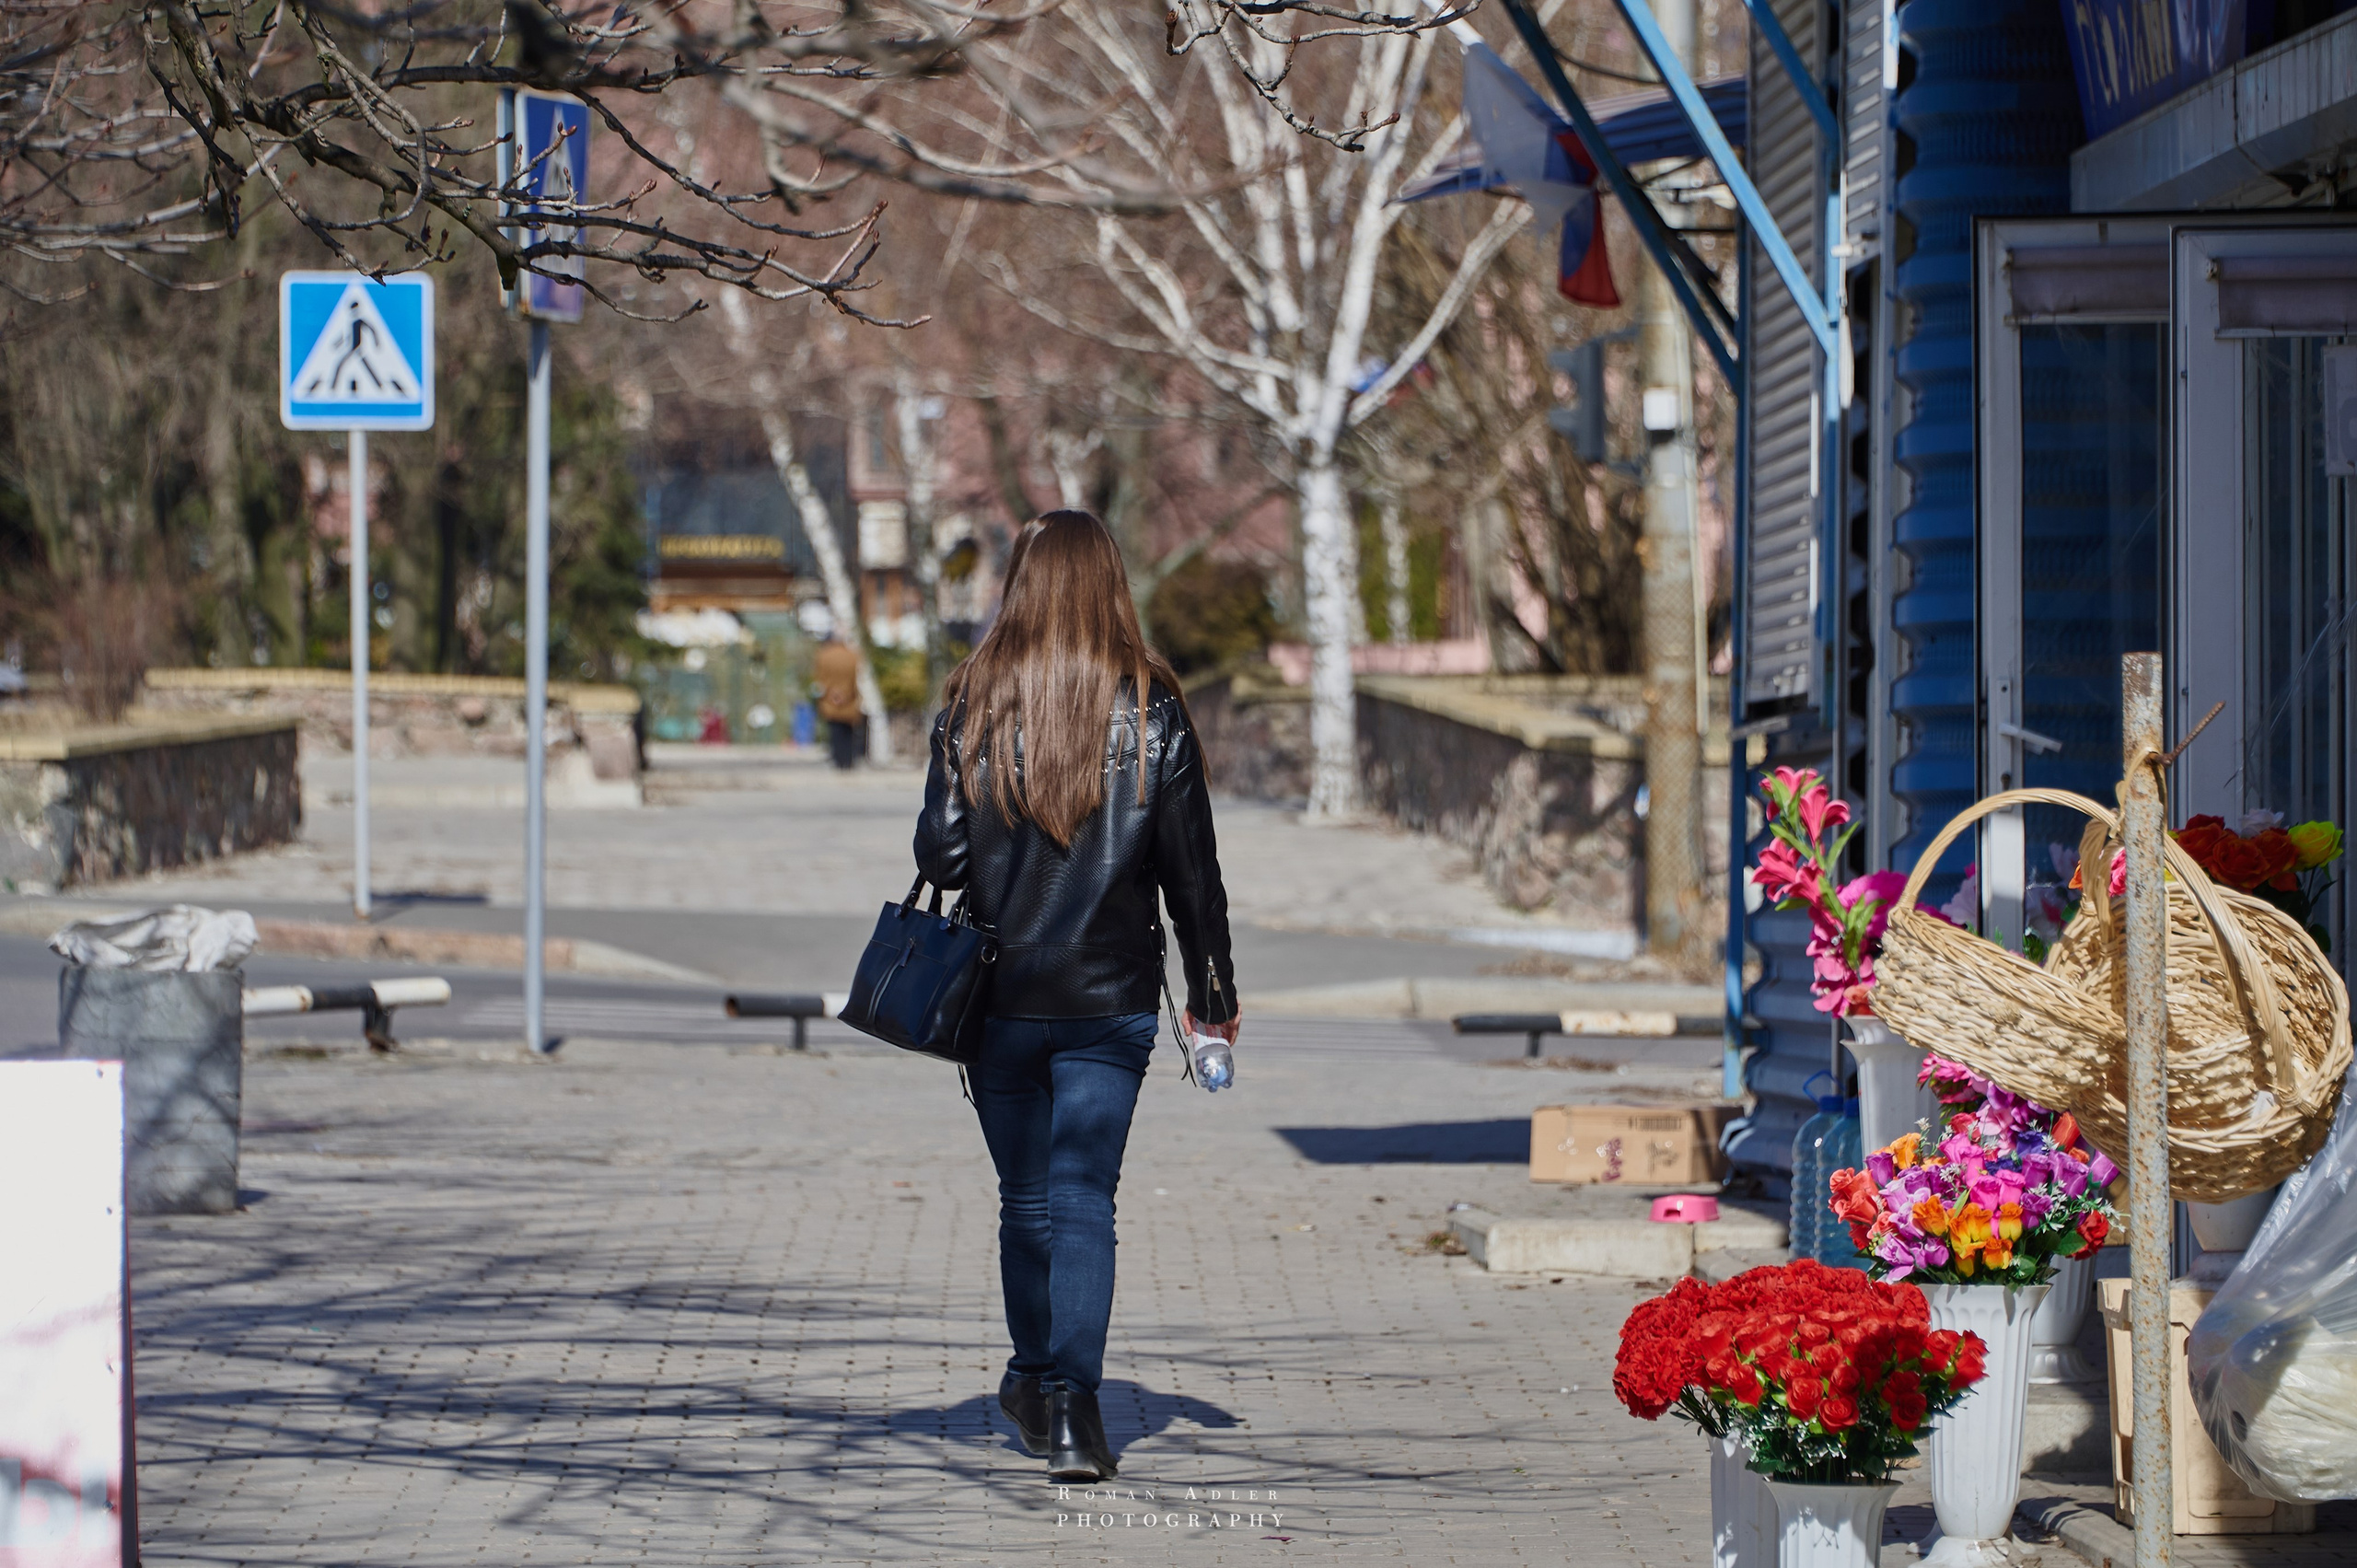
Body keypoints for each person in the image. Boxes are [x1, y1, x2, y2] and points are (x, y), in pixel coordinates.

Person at [913, 509, 1239, 1483]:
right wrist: (1212, 991)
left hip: (1002, 992)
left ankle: (1034, 1377)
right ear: (1109, 581)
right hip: (1111, 995)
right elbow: (1193, 872)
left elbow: (943, 855)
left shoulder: (974, 700)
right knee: (1082, 1196)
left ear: (1018, 582)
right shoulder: (1153, 705)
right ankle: (1071, 1409)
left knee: (1026, 1198)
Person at [811, 634, 863, 769]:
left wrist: (832, 694)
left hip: (830, 700)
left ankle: (838, 760)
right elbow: (857, 679)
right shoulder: (853, 656)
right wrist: (846, 694)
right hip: (849, 700)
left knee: (835, 732)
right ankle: (848, 760)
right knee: (848, 732)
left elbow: (820, 678)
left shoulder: (824, 655)